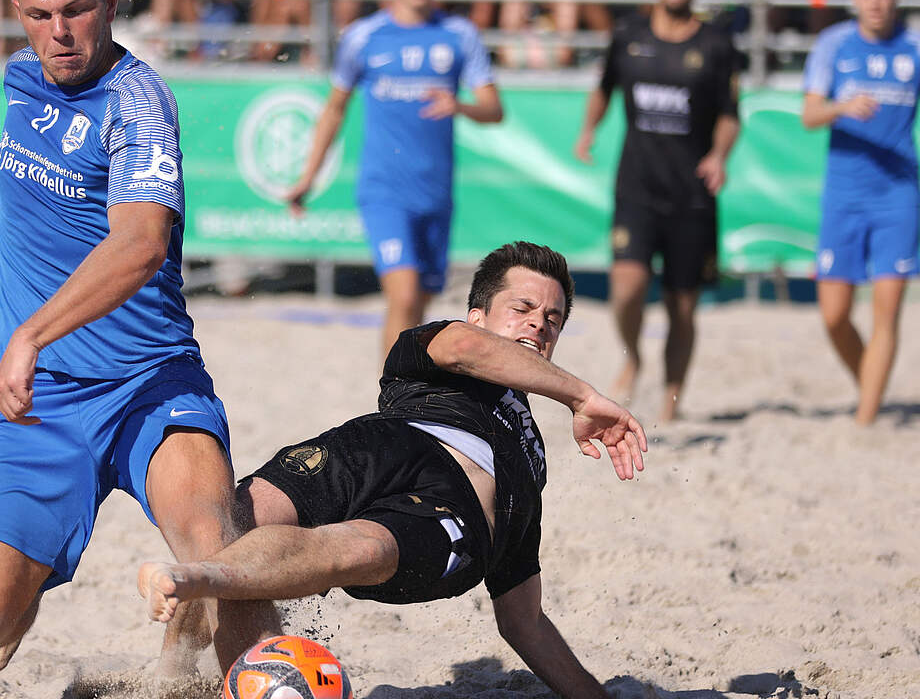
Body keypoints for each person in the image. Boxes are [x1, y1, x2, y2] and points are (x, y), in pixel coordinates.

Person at [0, 0, 274, 680]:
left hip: (152, 383)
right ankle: (32, 573)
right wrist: (32, 347)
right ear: (19, 15)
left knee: (214, 553)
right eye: (41, 14)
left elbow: (142, 243)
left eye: (78, 9)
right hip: (44, 399)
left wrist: (29, 333)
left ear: (110, 4)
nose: (59, 31)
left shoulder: (139, 101)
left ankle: (186, 673)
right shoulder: (21, 78)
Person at [139, 242, 648, 699]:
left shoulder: (531, 454)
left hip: (455, 511)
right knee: (237, 520)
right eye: (523, 308)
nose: (539, 323)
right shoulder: (434, 346)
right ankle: (173, 680)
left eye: (553, 319)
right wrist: (581, 395)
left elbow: (524, 619)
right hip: (382, 444)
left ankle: (195, 577)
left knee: (359, 548)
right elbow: (470, 350)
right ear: (476, 315)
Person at [286, 0, 504, 361]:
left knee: (419, 303)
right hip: (383, 189)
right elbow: (334, 110)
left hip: (435, 192)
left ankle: (405, 392)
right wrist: (307, 179)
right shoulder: (365, 37)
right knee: (402, 293)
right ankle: (390, 403)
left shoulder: (459, 35)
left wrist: (460, 104)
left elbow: (495, 109)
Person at [572, 0, 741, 422]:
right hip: (637, 187)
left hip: (691, 196)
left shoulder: (715, 44)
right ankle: (634, 356)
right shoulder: (628, 35)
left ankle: (671, 398)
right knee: (626, 289)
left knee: (682, 307)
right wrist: (589, 130)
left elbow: (731, 115)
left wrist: (719, 155)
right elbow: (604, 87)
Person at [800, 0, 920, 425]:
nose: (876, 4)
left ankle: (866, 420)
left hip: (898, 194)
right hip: (844, 193)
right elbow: (809, 115)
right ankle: (870, 386)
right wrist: (841, 108)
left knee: (886, 314)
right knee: (834, 316)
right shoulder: (834, 45)